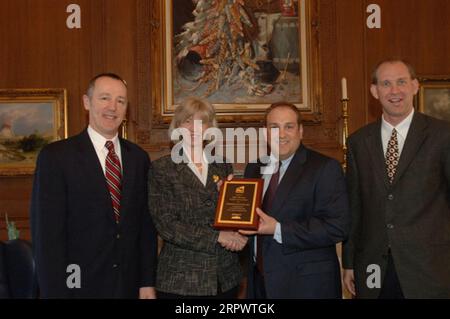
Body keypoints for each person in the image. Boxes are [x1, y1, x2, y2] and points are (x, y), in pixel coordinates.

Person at [30, 73, 158, 298]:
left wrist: (146, 281)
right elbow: (47, 237)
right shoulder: (56, 157)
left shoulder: (138, 158)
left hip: (128, 286)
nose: (113, 107)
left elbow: (145, 227)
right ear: (87, 102)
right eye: (105, 98)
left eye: (121, 101)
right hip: (77, 287)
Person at [342, 59, 450, 299]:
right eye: (386, 83)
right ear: (374, 91)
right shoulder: (359, 142)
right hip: (374, 269)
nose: (394, 91)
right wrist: (349, 263)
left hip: (431, 269)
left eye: (401, 82)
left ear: (414, 86)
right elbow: (355, 207)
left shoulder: (442, 136)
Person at [240, 101, 350, 298]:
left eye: (289, 127)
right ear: (265, 133)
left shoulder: (325, 168)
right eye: (274, 127)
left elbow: (337, 227)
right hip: (260, 283)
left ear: (300, 131)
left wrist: (278, 229)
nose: (281, 135)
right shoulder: (254, 168)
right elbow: (249, 220)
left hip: (306, 286)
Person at [148, 97, 248, 298]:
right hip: (182, 280)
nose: (194, 128)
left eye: (201, 121)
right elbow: (167, 226)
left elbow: (233, 214)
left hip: (225, 276)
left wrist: (238, 227)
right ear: (177, 126)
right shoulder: (162, 169)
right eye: (187, 121)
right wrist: (217, 237)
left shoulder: (222, 165)